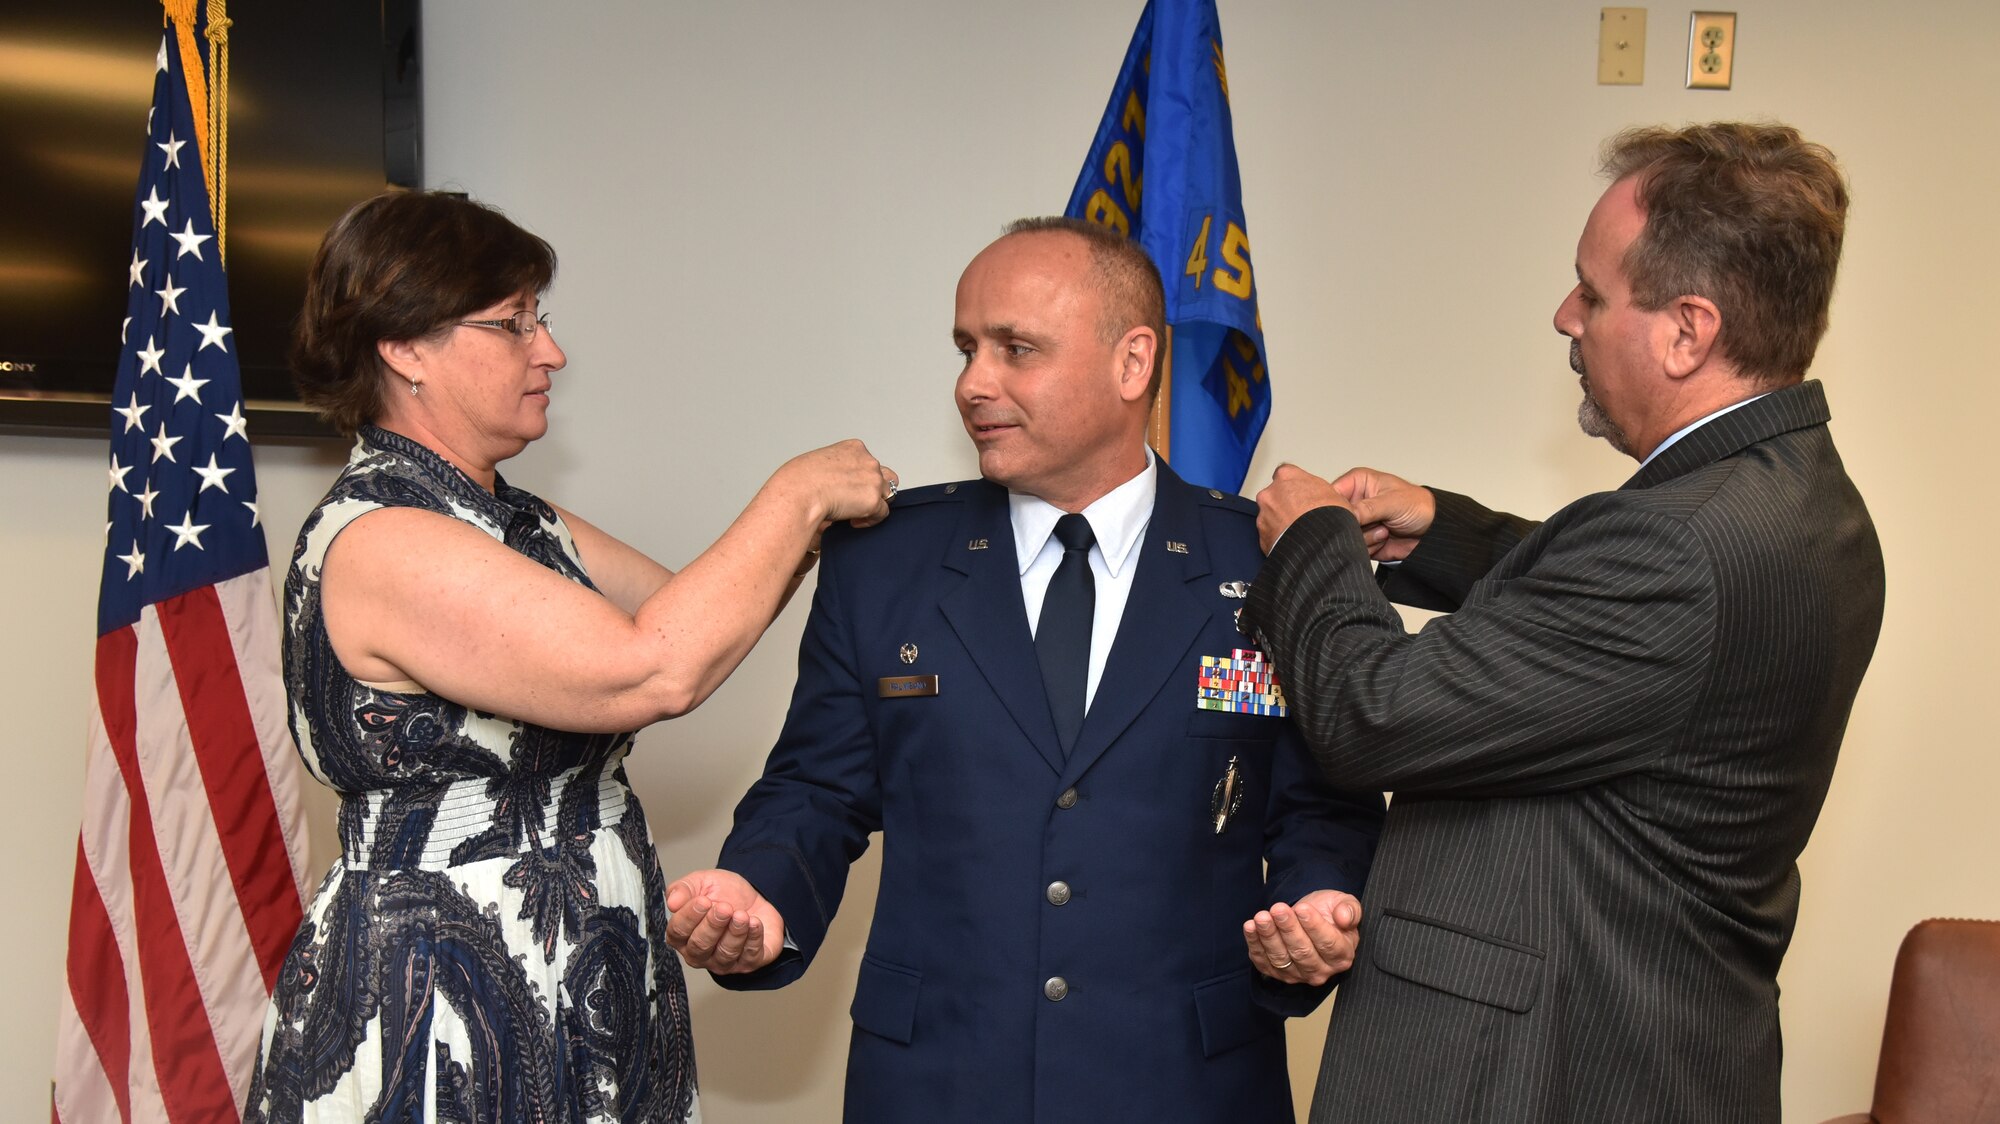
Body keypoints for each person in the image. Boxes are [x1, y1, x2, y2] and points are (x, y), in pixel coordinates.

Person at [664, 218, 1384, 1122]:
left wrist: (1316, 904)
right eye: (967, 349)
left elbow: (1322, 803)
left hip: (1185, 1081)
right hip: (938, 1080)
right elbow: (817, 787)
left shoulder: (1267, 560)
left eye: (1017, 349)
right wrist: (755, 889)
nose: (973, 384)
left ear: (1133, 365)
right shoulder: (887, 560)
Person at [1240, 122, 1885, 1123]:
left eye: (1589, 292)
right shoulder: (1794, 495)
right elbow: (1615, 630)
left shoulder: (1678, 550)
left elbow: (1369, 712)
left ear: (1686, 329)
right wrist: (1437, 530)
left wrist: (1311, 543)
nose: (1563, 316)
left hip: (1546, 1071)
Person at [241, 190, 895, 1124]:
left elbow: (694, 616)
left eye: (539, 319)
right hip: (448, 995)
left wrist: (839, 530)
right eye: (513, 324)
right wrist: (796, 494)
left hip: (588, 960)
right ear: (404, 347)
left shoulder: (511, 518)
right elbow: (653, 667)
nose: (550, 351)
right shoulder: (387, 538)